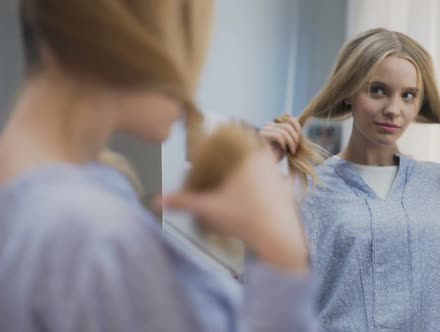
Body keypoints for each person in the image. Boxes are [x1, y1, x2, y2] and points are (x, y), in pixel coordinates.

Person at [0, 0, 316, 331]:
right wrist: (282, 255)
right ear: (125, 33)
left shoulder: (37, 192)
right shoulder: (97, 241)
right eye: (185, 37)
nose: (195, 73)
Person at [261, 28, 440, 331]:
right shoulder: (305, 189)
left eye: (408, 95)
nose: (393, 110)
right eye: (377, 90)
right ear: (348, 92)